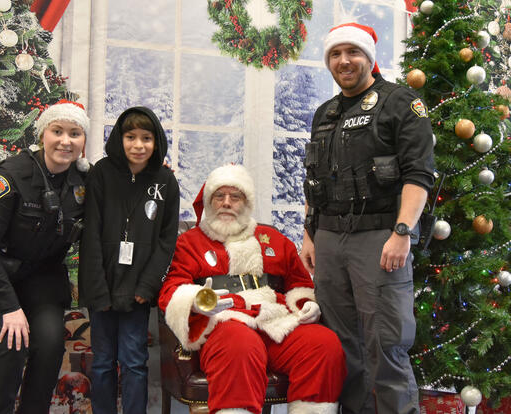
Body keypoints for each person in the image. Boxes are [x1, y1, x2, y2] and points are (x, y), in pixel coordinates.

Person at [299, 22, 435, 414]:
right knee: (342, 348)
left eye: (352, 53)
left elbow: (418, 174)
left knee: (386, 344)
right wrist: (310, 235)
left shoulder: (399, 103)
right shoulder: (324, 113)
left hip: (380, 238)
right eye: (336, 54)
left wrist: (402, 232)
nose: (344, 61)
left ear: (369, 58)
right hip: (328, 238)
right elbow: (314, 180)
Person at [158, 164, 347, 414]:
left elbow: (299, 283)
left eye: (235, 197)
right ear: (208, 201)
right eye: (219, 196)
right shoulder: (189, 242)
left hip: (273, 320)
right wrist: (197, 301)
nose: (226, 203)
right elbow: (172, 288)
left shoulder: (272, 239)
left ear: (246, 203)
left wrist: (305, 304)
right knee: (240, 344)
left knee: (324, 344)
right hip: (223, 322)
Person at [0, 99, 91, 413]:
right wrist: (10, 307)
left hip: (38, 275)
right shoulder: (12, 174)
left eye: (75, 133)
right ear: (43, 133)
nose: (65, 141)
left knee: (51, 344)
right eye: (57, 131)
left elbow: (122, 185)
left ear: (83, 142)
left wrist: (152, 173)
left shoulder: (84, 180)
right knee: (11, 343)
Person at [78, 106, 180, 414]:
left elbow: (166, 241)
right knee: (103, 362)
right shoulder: (101, 174)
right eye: (130, 136)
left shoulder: (165, 181)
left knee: (135, 362)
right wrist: (97, 289)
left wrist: (147, 286)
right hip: (103, 287)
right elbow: (91, 233)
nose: (138, 145)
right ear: (120, 139)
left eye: (146, 138)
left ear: (156, 141)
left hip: (138, 288)